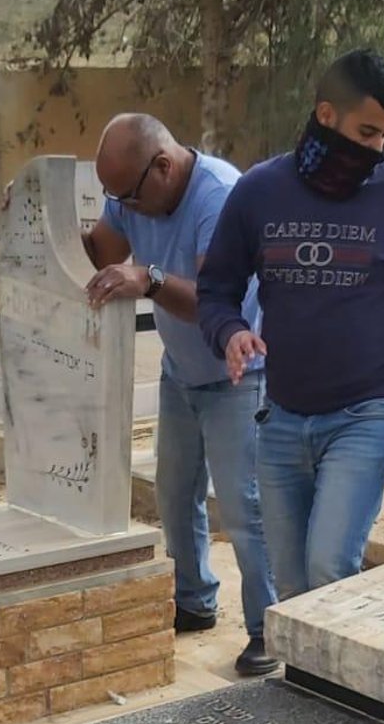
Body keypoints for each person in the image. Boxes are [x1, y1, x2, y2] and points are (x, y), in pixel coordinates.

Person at [197, 49, 384, 600]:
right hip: (281, 419)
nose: (376, 148)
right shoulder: (259, 191)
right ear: (325, 114)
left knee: (330, 568)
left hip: (365, 414)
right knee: (292, 588)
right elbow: (215, 289)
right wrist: (230, 331)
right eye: (366, 132)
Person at [83, 113, 278, 677]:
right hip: (183, 374)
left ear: (163, 167)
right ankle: (193, 599)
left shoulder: (220, 196)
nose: (122, 209)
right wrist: (31, 211)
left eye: (127, 196)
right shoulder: (133, 192)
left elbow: (219, 304)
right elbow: (98, 252)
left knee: (244, 508)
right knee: (174, 494)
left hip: (239, 374)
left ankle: (269, 628)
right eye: (114, 198)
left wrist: (148, 278)